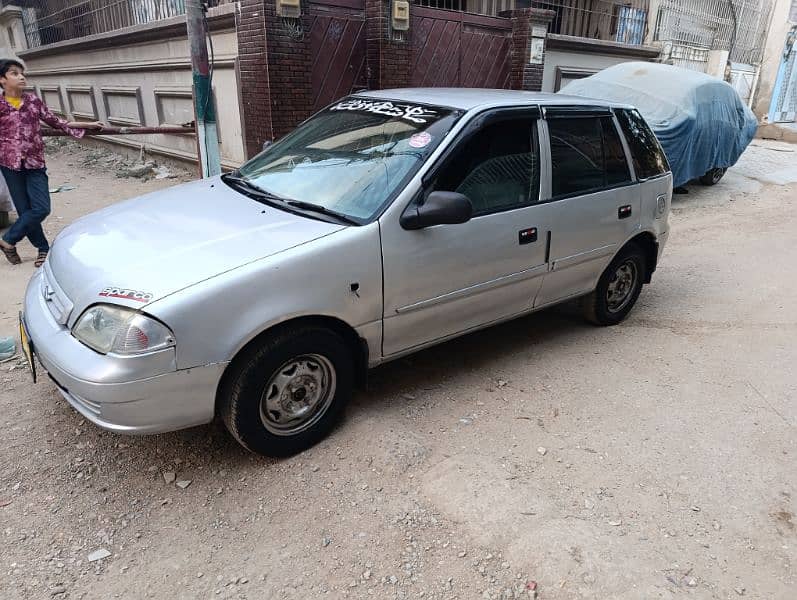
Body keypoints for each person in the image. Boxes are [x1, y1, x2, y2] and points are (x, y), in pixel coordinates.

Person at [0, 59, 103, 267]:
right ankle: (43, 249)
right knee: (24, 210)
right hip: (10, 165)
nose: (21, 77)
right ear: (2, 80)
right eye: (14, 73)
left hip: (35, 163)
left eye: (22, 74)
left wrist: (88, 124)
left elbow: (57, 123)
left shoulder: (33, 102)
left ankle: (8, 240)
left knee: (41, 208)